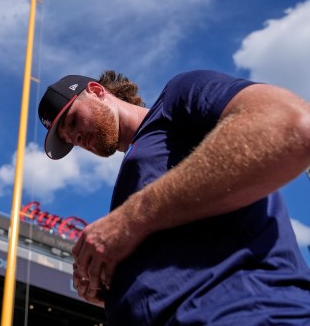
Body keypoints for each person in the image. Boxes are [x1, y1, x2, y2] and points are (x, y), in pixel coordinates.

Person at [38, 69, 310, 325]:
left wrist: (127, 220)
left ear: (97, 91)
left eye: (73, 121)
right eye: (69, 139)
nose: (77, 137)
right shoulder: (133, 181)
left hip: (245, 312)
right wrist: (107, 282)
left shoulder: (174, 100)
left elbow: (287, 123)